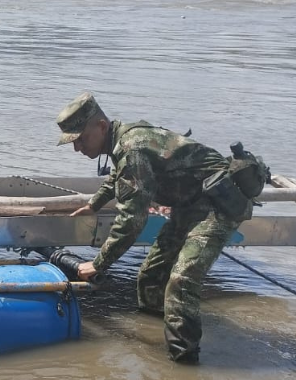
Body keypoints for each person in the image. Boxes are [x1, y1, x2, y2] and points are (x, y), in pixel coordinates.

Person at [57, 92, 249, 364]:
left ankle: (185, 363)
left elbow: (132, 222)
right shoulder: (123, 141)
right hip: (191, 203)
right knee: (151, 275)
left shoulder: (131, 147)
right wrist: (95, 203)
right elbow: (119, 175)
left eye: (80, 139)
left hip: (219, 205)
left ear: (100, 126)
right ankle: (154, 339)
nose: (78, 148)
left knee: (181, 282)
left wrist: (99, 264)